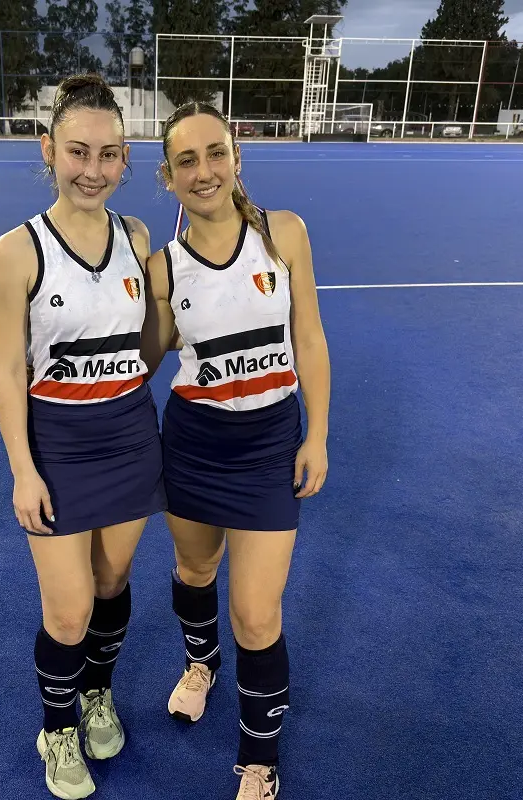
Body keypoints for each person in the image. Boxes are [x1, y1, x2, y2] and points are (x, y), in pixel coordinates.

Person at [141, 101, 331, 800]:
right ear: (167, 176)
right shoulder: (163, 266)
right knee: (195, 573)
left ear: (236, 156)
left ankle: (259, 758)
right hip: (193, 443)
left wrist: (316, 434)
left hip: (267, 446)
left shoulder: (284, 235)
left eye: (214, 153)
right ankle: (200, 665)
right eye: (186, 161)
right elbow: (145, 358)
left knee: (257, 612)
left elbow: (309, 338)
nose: (204, 170)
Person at [0, 74, 164, 800]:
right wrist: (23, 471)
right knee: (67, 610)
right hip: (56, 444)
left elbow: (148, 341)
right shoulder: (17, 251)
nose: (93, 169)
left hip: (129, 435)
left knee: (114, 583)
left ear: (126, 158)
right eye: (78, 151)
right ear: (48, 149)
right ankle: (56, 726)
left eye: (110, 154)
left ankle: (98, 693)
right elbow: (5, 375)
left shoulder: (138, 236)